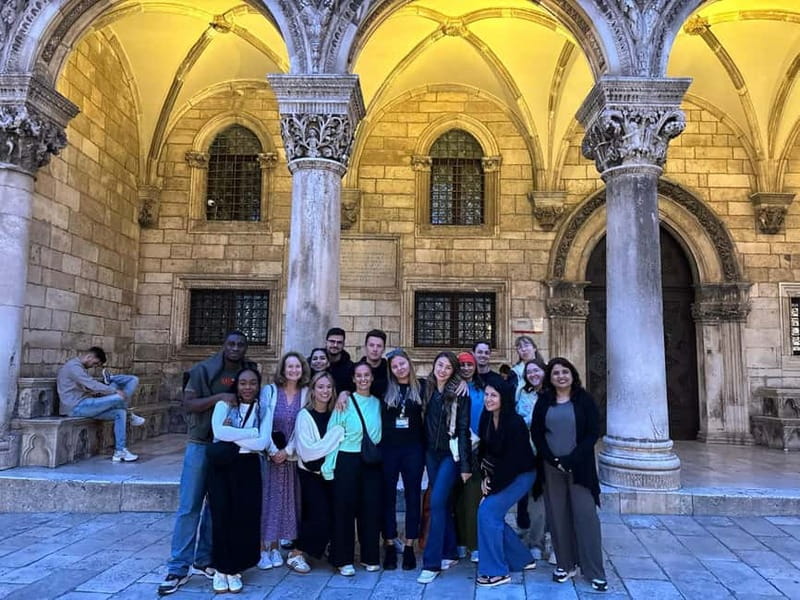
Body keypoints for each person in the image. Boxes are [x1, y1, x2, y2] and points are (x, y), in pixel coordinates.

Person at [158, 331, 257, 596]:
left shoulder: (249, 371)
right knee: (189, 506)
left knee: (217, 507)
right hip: (201, 445)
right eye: (231, 343)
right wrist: (219, 398)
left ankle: (205, 559)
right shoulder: (203, 370)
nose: (235, 348)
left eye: (240, 344)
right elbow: (188, 404)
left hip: (229, 449)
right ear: (223, 345)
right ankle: (178, 567)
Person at [530, 357, 607, 593]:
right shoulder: (544, 401)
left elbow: (593, 432)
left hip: (580, 468)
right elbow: (537, 432)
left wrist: (571, 459)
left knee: (586, 518)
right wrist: (553, 459)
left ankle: (594, 571)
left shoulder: (584, 400)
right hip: (552, 468)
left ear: (572, 374)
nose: (561, 376)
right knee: (557, 516)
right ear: (550, 378)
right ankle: (565, 564)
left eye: (565, 372)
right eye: (555, 373)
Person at [207, 367, 272, 594]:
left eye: (252, 383)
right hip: (223, 468)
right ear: (236, 384)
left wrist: (240, 436)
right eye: (243, 383)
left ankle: (235, 569)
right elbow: (218, 431)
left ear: (258, 385)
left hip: (248, 468)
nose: (247, 387)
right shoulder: (224, 405)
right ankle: (220, 569)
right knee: (222, 516)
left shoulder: (264, 409)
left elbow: (263, 443)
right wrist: (251, 433)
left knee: (244, 518)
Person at [322, 361, 383, 576]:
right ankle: (343, 558)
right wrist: (328, 467)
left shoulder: (378, 403)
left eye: (367, 375)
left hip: (370, 462)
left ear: (372, 378)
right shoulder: (344, 402)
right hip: (347, 459)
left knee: (370, 510)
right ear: (354, 379)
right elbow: (333, 434)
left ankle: (369, 556)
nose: (363, 379)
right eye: (359, 375)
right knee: (344, 510)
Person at [475, 382, 537, 587]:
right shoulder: (486, 417)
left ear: (504, 398)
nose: (488, 399)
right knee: (491, 514)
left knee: (487, 512)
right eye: (486, 394)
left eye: (494, 395)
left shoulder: (514, 422)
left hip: (521, 474)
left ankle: (497, 572)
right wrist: (485, 477)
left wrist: (491, 486)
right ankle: (522, 558)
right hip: (499, 475)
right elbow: (484, 451)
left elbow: (514, 461)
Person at [417, 352, 471, 585]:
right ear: (434, 365)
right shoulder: (424, 388)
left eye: (448, 367)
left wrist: (465, 466)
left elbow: (463, 430)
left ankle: (432, 562)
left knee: (437, 501)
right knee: (443, 503)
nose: (442, 370)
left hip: (451, 455)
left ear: (453, 371)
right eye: (440, 365)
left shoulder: (459, 393)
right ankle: (449, 552)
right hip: (431, 453)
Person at [289, 371, 345, 574]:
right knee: (317, 515)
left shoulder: (336, 412)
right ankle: (296, 553)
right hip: (310, 474)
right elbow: (308, 452)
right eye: (320, 387)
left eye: (329, 387)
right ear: (312, 390)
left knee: (331, 514)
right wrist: (336, 435)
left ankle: (325, 549)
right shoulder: (304, 415)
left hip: (330, 474)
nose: (325, 391)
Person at [258, 352, 310, 570]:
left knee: (288, 503)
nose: (293, 370)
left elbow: (304, 426)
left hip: (290, 458)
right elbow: (262, 421)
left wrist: (286, 451)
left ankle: (277, 546)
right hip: (270, 458)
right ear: (283, 369)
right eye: (290, 367)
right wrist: (272, 450)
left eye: (297, 367)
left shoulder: (306, 394)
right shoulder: (269, 392)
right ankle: (263, 548)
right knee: (266, 501)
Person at [56, 347, 144, 462]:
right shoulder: (74, 367)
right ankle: (130, 414)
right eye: (95, 363)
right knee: (118, 397)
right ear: (89, 357)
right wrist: (113, 391)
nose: (94, 366)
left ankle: (120, 451)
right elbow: (91, 384)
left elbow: (87, 388)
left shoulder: (78, 368)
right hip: (76, 407)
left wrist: (98, 393)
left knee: (120, 412)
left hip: (85, 404)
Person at [380, 348, 425, 571]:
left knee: (413, 497)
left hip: (413, 450)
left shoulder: (422, 386)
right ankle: (389, 544)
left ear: (409, 363)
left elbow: (448, 382)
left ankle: (409, 546)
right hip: (388, 450)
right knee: (386, 497)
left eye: (402, 363)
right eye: (395, 366)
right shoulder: (384, 387)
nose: (399, 368)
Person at [515, 357, 548, 559]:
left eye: (536, 371)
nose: (533, 375)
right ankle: (534, 539)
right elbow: (520, 418)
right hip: (528, 452)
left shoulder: (552, 394)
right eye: (529, 372)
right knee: (533, 499)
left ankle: (543, 540)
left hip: (550, 452)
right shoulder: (523, 393)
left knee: (545, 499)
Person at [454, 351, 483, 564]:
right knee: (457, 498)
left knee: (473, 497)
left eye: (469, 364)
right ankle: (460, 541)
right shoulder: (452, 387)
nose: (465, 368)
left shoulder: (482, 389)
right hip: (457, 447)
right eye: (462, 364)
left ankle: (474, 544)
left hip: (478, 448)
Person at [325, 327, 353, 394]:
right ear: (326, 342)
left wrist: (346, 392)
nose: (335, 345)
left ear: (344, 345)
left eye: (339, 342)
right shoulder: (315, 363)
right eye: (332, 341)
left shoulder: (351, 368)